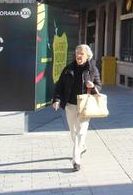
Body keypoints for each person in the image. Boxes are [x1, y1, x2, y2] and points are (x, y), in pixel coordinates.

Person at [52, 44, 102, 172]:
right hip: (70, 105)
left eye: (81, 53)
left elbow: (99, 86)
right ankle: (82, 146)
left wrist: (93, 87)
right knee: (73, 131)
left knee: (80, 131)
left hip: (85, 105)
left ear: (87, 56)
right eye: (77, 53)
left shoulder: (93, 70)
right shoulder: (68, 68)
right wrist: (57, 99)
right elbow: (60, 86)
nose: (78, 56)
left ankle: (76, 160)